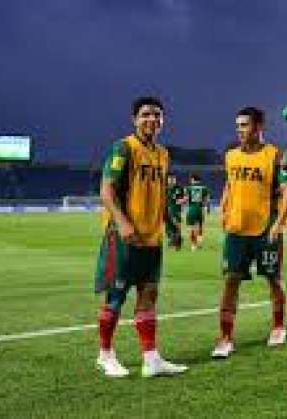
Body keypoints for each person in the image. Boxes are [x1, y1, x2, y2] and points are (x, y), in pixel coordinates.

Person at [94, 96, 188, 378]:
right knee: (116, 296)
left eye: (157, 115)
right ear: (135, 119)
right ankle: (105, 354)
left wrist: (171, 227)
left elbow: (160, 196)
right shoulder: (124, 148)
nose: (152, 120)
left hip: (151, 237)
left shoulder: (162, 153)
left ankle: (151, 359)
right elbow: (107, 190)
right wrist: (122, 223)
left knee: (148, 295)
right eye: (146, 115)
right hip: (123, 237)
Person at [212, 106, 287, 358]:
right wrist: (224, 210)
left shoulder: (275, 155)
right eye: (238, 126)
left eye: (244, 125)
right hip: (236, 230)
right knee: (230, 281)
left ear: (259, 127)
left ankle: (278, 327)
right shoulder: (231, 156)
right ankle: (225, 338)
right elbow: (230, 184)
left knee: (274, 280)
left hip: (265, 229)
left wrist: (278, 225)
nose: (240, 131)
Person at [184, 173, 210, 250]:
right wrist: (207, 208)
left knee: (192, 228)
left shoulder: (188, 188)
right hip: (200, 209)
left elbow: (186, 199)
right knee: (200, 225)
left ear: (192, 179)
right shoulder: (204, 188)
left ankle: (193, 245)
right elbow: (207, 200)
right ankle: (199, 241)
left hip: (192, 209)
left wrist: (179, 201)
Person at [165, 173, 184, 250]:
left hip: (176, 210)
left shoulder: (179, 188)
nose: (172, 180)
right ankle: (172, 241)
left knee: (177, 226)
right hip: (166, 210)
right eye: (170, 179)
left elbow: (185, 197)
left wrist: (181, 201)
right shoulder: (165, 188)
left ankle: (177, 242)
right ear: (168, 180)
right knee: (168, 227)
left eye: (173, 179)